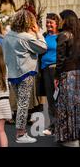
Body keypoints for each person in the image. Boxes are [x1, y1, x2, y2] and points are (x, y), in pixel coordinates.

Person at [2, 9, 47, 144]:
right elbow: (43, 47)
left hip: (12, 73)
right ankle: (20, 133)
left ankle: (21, 132)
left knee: (20, 103)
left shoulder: (8, 35)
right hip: (25, 73)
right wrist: (38, 32)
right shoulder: (26, 37)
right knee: (23, 103)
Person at [55, 10, 80, 147]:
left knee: (67, 105)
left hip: (68, 75)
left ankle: (70, 137)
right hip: (78, 74)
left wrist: (56, 76)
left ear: (66, 20)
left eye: (61, 18)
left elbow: (60, 59)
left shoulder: (64, 35)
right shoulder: (77, 35)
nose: (59, 21)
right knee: (77, 106)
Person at [39, 13, 60, 136]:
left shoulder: (60, 36)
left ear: (57, 24)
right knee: (50, 99)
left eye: (51, 22)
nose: (48, 24)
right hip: (45, 70)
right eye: (47, 22)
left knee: (57, 98)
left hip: (55, 69)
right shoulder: (45, 35)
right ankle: (53, 126)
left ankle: (60, 125)